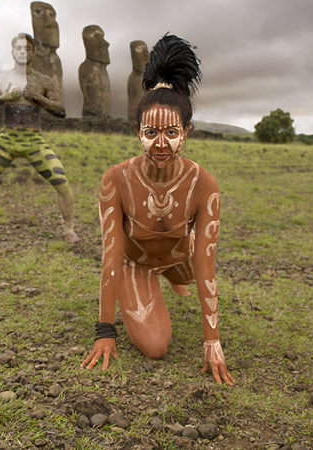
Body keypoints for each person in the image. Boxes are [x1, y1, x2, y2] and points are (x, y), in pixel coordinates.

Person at [81, 34, 234, 386]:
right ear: (137, 132)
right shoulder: (116, 179)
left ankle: (175, 276)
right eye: (151, 132)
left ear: (186, 133)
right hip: (137, 262)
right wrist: (105, 330)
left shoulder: (204, 184)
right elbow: (112, 254)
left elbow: (207, 266)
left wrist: (212, 340)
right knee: (155, 347)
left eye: (171, 132)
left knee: (193, 272)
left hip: (181, 254)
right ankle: (155, 278)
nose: (161, 143)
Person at [0, 33, 80, 243]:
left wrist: (39, 97)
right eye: (18, 48)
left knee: (62, 183)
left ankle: (69, 229)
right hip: (6, 140)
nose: (22, 52)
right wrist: (3, 98)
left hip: (34, 141)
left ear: (33, 52)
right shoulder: (0, 80)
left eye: (26, 49)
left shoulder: (43, 81)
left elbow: (61, 111)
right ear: (12, 51)